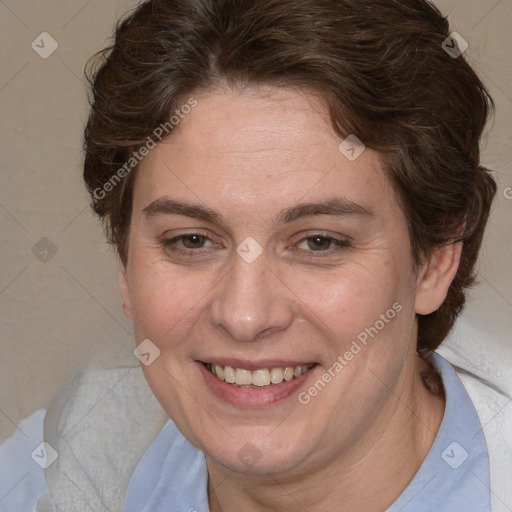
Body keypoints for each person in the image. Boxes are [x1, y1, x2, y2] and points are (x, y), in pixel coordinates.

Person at [1, 0, 511, 511]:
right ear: (125, 262)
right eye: (192, 240)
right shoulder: (46, 475)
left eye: (319, 242)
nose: (245, 317)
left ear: (436, 259)